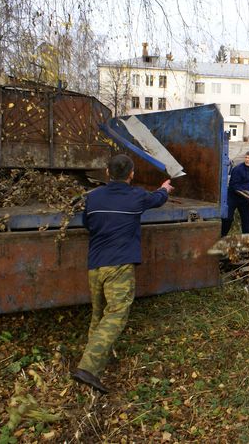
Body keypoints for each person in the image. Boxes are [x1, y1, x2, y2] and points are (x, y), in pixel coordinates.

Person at [72, 154, 173, 394]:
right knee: (116, 315)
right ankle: (87, 367)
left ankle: (93, 366)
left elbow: (88, 223)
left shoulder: (92, 197)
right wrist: (165, 188)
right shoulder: (136, 196)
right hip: (119, 265)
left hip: (95, 265)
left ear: (107, 173)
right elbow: (157, 200)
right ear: (132, 174)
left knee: (99, 316)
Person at [221, 150, 249, 237]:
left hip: (245, 199)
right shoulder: (237, 169)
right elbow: (234, 185)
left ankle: (247, 240)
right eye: (246, 157)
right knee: (227, 218)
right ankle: (221, 237)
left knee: (247, 220)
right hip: (233, 197)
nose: (247, 159)